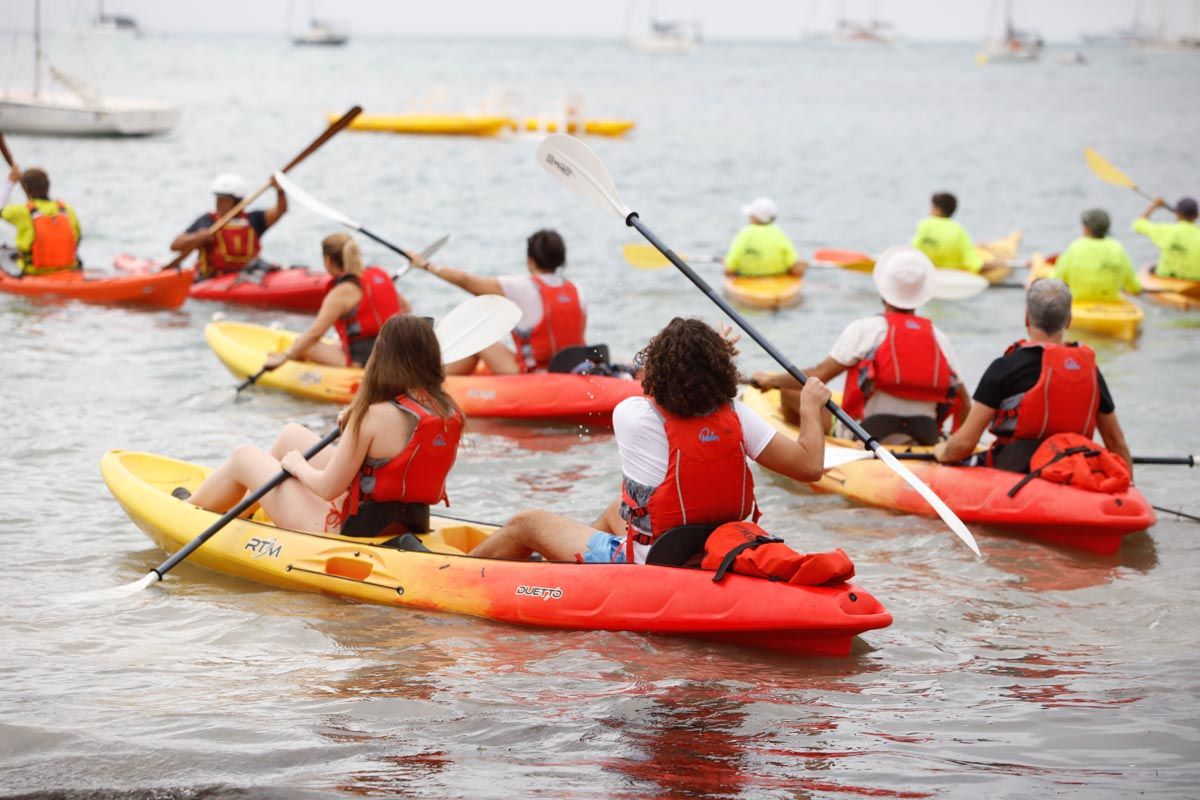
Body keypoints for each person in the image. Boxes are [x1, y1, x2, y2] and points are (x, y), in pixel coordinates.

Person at [468, 317, 831, 563]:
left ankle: (452, 572)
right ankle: (568, 573)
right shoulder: (737, 415)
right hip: (713, 546)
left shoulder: (632, 414)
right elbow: (810, 466)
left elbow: (657, 389)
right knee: (616, 509)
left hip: (655, 558)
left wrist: (698, 356)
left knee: (526, 521)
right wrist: (811, 406)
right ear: (721, 368)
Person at [186, 315, 464, 534]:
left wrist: (296, 466)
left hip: (345, 528)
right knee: (291, 435)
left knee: (243, 456)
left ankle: (187, 510)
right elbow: (394, 459)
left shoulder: (370, 415)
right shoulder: (448, 411)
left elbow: (328, 489)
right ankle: (244, 509)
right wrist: (353, 429)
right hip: (410, 520)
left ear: (384, 358)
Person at [753, 246, 969, 446]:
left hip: (865, 433)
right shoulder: (938, 337)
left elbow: (817, 376)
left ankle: (806, 448)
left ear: (883, 291)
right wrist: (958, 443)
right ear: (922, 295)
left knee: (790, 391)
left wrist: (772, 381)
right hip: (926, 435)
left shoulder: (866, 329)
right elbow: (963, 399)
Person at [934, 278, 1133, 474]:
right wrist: (1128, 488)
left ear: (1027, 318)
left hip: (1017, 467)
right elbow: (1116, 443)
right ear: (1069, 320)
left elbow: (964, 444)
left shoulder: (1006, 367)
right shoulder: (1090, 372)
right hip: (1072, 466)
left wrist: (941, 452)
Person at [411, 229, 586, 375]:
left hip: (532, 375)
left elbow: (466, 281)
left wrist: (426, 265)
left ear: (530, 261)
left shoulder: (523, 287)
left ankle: (434, 383)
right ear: (562, 260)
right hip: (570, 370)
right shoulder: (577, 290)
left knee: (476, 337)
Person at [263, 233, 411, 369]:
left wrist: (286, 356)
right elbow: (406, 308)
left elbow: (315, 333)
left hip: (364, 362)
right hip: (395, 354)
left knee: (303, 345)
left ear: (328, 260)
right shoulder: (379, 274)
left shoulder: (341, 292)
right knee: (334, 345)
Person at [170, 173, 287, 279]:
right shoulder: (208, 221)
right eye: (217, 198)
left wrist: (280, 191)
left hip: (248, 274)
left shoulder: (253, 219)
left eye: (223, 199)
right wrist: (196, 237)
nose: (218, 203)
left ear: (237, 201)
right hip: (212, 279)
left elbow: (280, 210)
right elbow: (175, 245)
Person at [1, 165, 81, 275]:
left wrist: (10, 182)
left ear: (25, 189)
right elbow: (77, 238)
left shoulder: (23, 211)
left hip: (33, 272)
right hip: (69, 268)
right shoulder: (67, 209)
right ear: (48, 186)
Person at [1051, 208, 1140, 302]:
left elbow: (1055, 279)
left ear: (1087, 228)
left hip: (1079, 303)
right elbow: (1134, 287)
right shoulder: (1118, 248)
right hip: (1112, 304)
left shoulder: (1075, 247)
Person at [724, 197, 806, 278]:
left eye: (751, 215)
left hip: (747, 279)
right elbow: (796, 270)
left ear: (755, 217)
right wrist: (802, 265)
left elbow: (729, 271)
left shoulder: (744, 234)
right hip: (778, 281)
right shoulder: (779, 234)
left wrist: (726, 262)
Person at [911, 191, 982, 273]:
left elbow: (913, 250)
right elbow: (972, 263)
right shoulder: (958, 230)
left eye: (932, 207)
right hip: (954, 274)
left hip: (928, 272)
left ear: (937, 210)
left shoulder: (924, 225)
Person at [1133, 195, 1200, 280]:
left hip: (1166, 281)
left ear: (1178, 214)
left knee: (1152, 268)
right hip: (1195, 284)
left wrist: (1153, 206)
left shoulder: (1166, 230)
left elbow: (1138, 225)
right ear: (1197, 215)